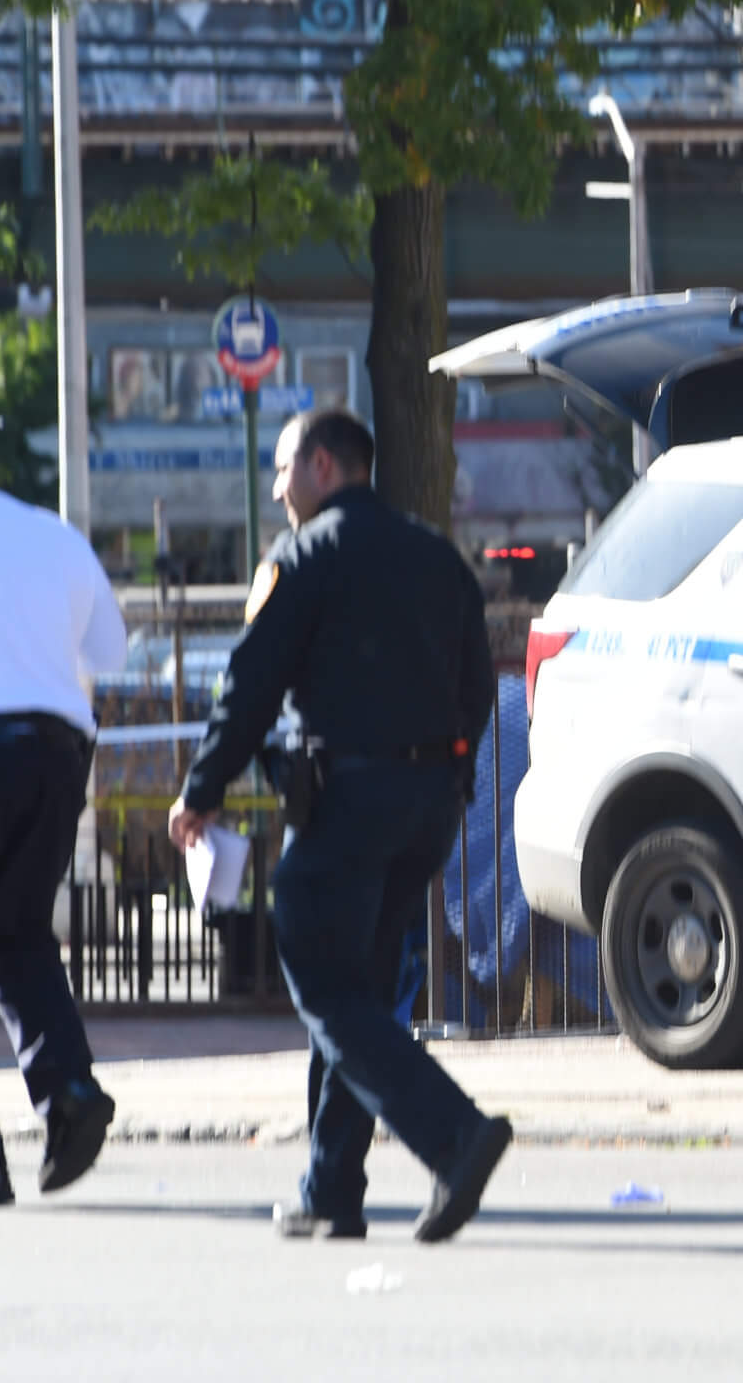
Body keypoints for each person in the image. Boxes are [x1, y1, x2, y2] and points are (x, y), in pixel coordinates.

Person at [169, 408, 509, 1243]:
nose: (277, 490)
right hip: (426, 809)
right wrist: (452, 782)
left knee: (321, 981)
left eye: (283, 471)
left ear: (323, 465)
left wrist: (201, 791)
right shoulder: (438, 557)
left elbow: (249, 685)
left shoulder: (300, 558)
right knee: (356, 997)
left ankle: (454, 1134)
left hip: (348, 803)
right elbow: (479, 686)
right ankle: (331, 1190)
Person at [0, 402, 125, 1206]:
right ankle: (69, 1092)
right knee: (13, 937)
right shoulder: (50, 533)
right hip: (54, 755)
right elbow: (107, 650)